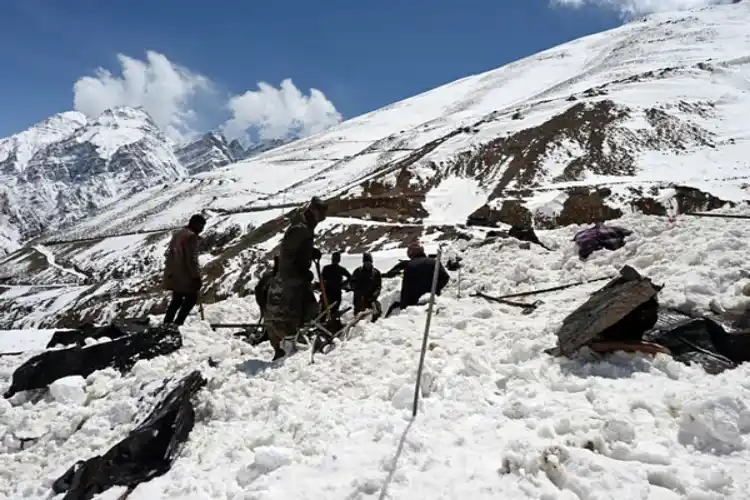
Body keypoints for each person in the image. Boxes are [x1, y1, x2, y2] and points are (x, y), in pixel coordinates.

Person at [264, 196, 327, 360]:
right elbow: (287, 254)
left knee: (309, 308)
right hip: (291, 278)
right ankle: (285, 346)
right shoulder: (300, 228)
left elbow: (299, 249)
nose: (322, 218)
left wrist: (310, 252)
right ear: (314, 211)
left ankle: (297, 339)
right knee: (293, 312)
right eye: (322, 214)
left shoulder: (306, 226)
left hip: (296, 276)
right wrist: (299, 271)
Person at [162, 214, 206, 326]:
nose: (202, 229)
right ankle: (178, 323)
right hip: (185, 275)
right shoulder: (191, 237)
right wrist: (196, 277)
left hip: (174, 274)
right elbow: (191, 259)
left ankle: (167, 323)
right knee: (191, 298)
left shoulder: (178, 234)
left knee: (176, 300)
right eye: (201, 226)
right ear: (195, 224)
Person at [385, 242, 450, 317]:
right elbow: (445, 277)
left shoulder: (410, 265)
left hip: (413, 303)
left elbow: (406, 287)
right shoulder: (434, 262)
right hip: (432, 300)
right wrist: (435, 289)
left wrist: (403, 305)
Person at [350, 252, 383, 322]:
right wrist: (356, 289)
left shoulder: (376, 273)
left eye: (368, 262)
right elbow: (352, 282)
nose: (367, 264)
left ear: (371, 262)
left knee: (376, 317)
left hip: (371, 300)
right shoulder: (357, 271)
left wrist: (374, 295)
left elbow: (378, 287)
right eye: (365, 262)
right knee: (358, 319)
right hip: (359, 301)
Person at [318, 252, 351, 318]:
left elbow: (321, 279)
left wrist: (343, 284)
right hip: (330, 292)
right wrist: (343, 284)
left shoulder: (327, 268)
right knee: (328, 311)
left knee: (327, 310)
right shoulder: (338, 269)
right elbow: (350, 277)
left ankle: (329, 323)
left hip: (331, 292)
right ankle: (328, 323)